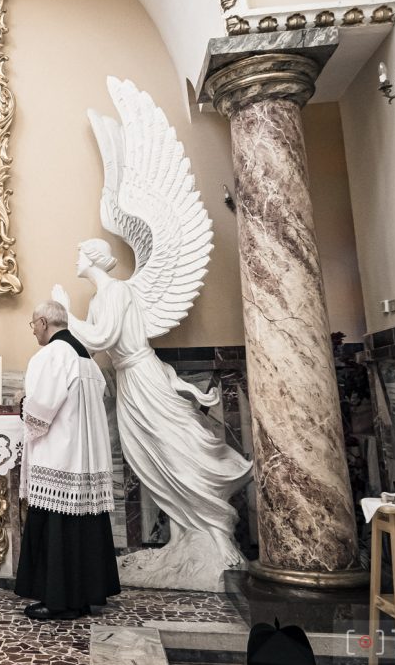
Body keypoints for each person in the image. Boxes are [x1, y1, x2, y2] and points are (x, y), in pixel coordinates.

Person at [52, 240, 252, 581]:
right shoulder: (100, 299)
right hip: (129, 381)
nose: (76, 259)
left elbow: (102, 337)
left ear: (94, 259)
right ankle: (180, 537)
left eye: (79, 253)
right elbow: (92, 345)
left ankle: (216, 531)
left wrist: (65, 313)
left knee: (173, 451)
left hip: (143, 376)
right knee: (150, 459)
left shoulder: (117, 291)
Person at [14, 300, 119, 620]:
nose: (33, 331)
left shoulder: (51, 355)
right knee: (83, 527)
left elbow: (40, 411)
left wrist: (23, 406)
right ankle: (84, 597)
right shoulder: (85, 357)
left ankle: (58, 601)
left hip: (59, 456)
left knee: (57, 529)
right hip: (85, 457)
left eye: (33, 324)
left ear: (44, 323)